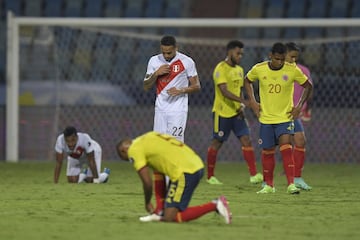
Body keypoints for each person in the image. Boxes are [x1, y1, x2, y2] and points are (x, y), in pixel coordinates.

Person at [116, 131, 232, 224]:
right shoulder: (149, 136)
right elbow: (158, 173)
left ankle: (215, 205)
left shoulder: (133, 150)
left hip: (184, 172)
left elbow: (147, 182)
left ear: (123, 151)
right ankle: (160, 212)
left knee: (170, 218)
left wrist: (147, 202)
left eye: (126, 159)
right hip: (194, 165)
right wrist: (159, 208)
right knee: (167, 214)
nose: (130, 161)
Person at [244, 42, 313, 194]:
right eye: (277, 59)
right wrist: (253, 102)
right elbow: (247, 80)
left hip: (285, 117)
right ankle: (269, 185)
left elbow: (308, 86)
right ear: (270, 56)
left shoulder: (292, 70)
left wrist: (299, 106)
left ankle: (291, 184)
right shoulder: (259, 69)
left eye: (282, 59)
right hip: (266, 118)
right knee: (267, 151)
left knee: (286, 147)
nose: (280, 62)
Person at [143, 35, 201, 214]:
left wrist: (182, 90)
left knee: (175, 146)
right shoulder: (154, 61)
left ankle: (176, 181)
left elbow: (197, 86)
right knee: (159, 147)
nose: (167, 55)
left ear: (176, 48)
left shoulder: (187, 62)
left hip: (178, 110)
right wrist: (156, 74)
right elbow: (146, 86)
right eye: (164, 52)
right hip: (160, 110)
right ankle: (165, 185)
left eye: (169, 52)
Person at [206, 40, 263, 185]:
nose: (240, 56)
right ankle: (210, 176)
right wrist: (245, 102)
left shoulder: (239, 70)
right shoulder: (220, 68)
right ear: (229, 52)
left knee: (246, 140)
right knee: (217, 143)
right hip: (222, 113)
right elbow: (224, 91)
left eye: (242, 54)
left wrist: (241, 107)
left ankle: (254, 175)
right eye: (238, 53)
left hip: (237, 112)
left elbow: (238, 91)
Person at [285, 42, 313, 190]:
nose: (294, 60)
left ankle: (296, 178)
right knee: (278, 145)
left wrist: (305, 108)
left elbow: (309, 89)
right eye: (291, 56)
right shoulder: (274, 69)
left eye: (296, 57)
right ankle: (268, 180)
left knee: (300, 141)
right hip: (276, 113)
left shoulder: (302, 70)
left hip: (294, 113)